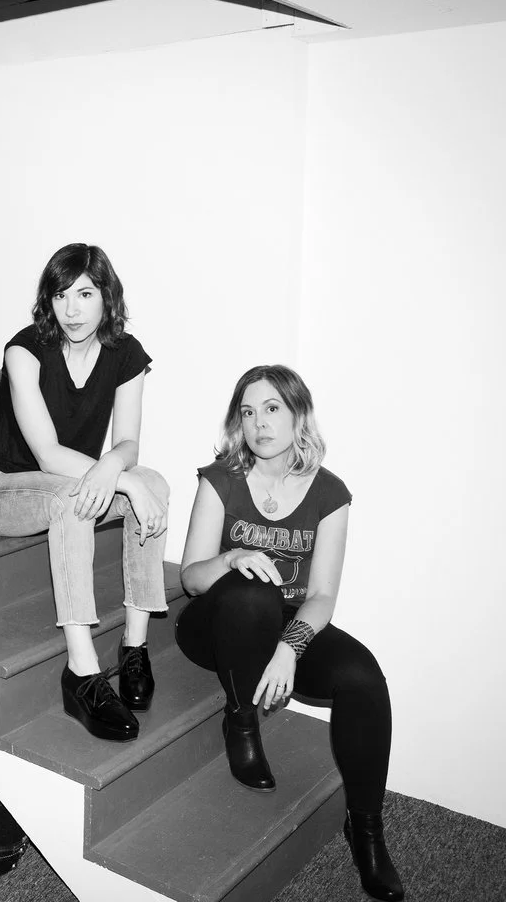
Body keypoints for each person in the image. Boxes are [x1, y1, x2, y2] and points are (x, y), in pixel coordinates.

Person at [177, 365, 403, 901]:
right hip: (216, 625)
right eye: (248, 412)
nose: (259, 423)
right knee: (252, 592)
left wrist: (290, 647)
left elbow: (321, 595)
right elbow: (190, 577)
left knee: (364, 678)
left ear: (298, 413)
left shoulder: (330, 493)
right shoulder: (220, 479)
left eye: (272, 408)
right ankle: (241, 721)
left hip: (283, 627)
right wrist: (231, 556)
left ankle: (367, 829)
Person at [0, 243, 170, 743]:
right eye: (61, 295)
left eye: (85, 293)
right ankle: (81, 673)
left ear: (107, 295)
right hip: (1, 485)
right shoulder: (24, 350)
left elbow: (127, 442)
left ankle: (134, 648)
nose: (72, 309)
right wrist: (116, 476)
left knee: (156, 484)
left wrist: (117, 467)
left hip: (72, 479)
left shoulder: (125, 353)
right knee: (75, 501)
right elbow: (46, 453)